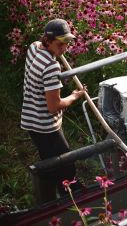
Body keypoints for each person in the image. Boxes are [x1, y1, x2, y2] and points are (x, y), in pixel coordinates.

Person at [21, 19, 86, 199]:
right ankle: (69, 195)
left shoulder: (34, 47)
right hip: (45, 125)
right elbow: (54, 106)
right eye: (60, 43)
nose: (65, 48)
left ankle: (53, 193)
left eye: (67, 42)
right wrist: (74, 96)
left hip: (30, 118)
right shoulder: (51, 66)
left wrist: (55, 52)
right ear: (48, 40)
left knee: (49, 159)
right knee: (66, 162)